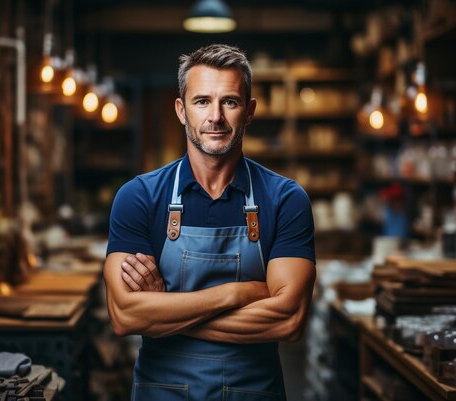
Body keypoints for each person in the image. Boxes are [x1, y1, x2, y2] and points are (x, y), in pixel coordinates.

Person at [104, 44, 316, 401]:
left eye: (229, 102)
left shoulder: (285, 199)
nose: (215, 116)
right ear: (181, 110)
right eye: (202, 101)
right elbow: (125, 316)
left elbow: (289, 320)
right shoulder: (138, 197)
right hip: (162, 393)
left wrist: (164, 314)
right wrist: (237, 293)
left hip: (253, 393)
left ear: (249, 112)